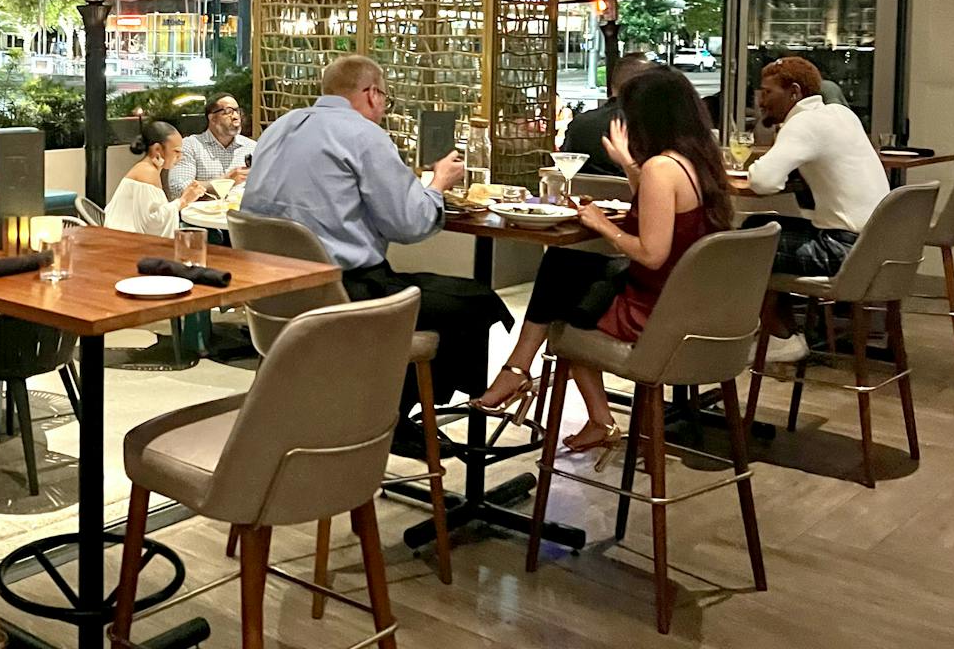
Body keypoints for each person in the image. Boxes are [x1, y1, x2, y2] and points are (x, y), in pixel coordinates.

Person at [472, 66, 731, 459]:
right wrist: (629, 165)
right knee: (566, 273)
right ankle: (567, 401)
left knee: (565, 288)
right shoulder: (696, 160)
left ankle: (522, 376)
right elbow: (658, 211)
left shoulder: (662, 168)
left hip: (655, 307)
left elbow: (651, 252)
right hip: (687, 297)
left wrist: (599, 224)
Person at [241, 55, 510, 430]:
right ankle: (390, 419)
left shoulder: (278, 128)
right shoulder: (364, 135)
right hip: (343, 297)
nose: (384, 108)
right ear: (370, 94)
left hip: (275, 296)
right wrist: (437, 184)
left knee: (443, 294)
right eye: (385, 99)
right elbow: (410, 223)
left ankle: (379, 412)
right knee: (476, 301)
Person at [742, 56, 888, 360]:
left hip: (843, 251)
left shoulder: (803, 123)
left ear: (794, 92)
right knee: (763, 226)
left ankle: (781, 337)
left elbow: (764, 182)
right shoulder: (842, 114)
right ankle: (778, 331)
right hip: (876, 245)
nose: (761, 101)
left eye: (768, 93)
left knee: (750, 238)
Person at [105, 120, 206, 237]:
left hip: (119, 235)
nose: (180, 157)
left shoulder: (147, 168)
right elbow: (152, 222)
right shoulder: (148, 172)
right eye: (176, 151)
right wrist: (183, 201)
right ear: (157, 149)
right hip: (126, 240)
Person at [561, 53, 652, 175]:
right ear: (649, 87)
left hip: (583, 192)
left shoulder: (579, 123)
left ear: (612, 84)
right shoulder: (652, 128)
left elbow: (565, 167)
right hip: (636, 192)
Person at [165, 94, 256, 199]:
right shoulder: (191, 145)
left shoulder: (252, 147)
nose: (235, 116)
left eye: (237, 111)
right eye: (228, 111)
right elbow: (177, 188)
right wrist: (226, 181)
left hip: (240, 213)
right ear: (212, 118)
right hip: (202, 214)